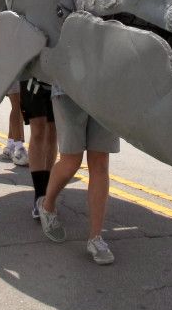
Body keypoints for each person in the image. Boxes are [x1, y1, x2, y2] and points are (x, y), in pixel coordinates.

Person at [37, 82, 120, 265]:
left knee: (100, 162)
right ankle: (47, 205)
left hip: (106, 90)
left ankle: (96, 238)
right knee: (71, 161)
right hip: (69, 88)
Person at [21, 77, 58, 220]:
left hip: (56, 77)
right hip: (31, 77)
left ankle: (47, 192)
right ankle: (39, 193)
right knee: (38, 131)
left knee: (52, 129)